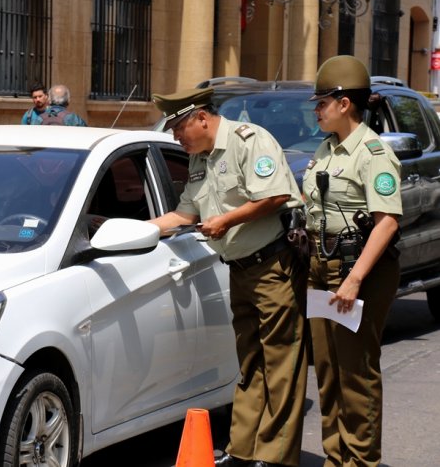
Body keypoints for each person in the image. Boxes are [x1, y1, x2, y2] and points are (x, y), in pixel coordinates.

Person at [150, 88, 308, 467]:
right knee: (250, 361)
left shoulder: (248, 141)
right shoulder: (200, 160)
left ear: (201, 118)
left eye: (179, 129)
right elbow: (184, 215)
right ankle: (243, 449)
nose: (176, 138)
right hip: (239, 270)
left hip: (273, 266)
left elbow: (275, 196)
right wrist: (131, 229)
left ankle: (277, 456)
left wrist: (225, 220)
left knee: (280, 363)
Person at [305, 55, 402, 467]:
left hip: (355, 270)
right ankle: (336, 457)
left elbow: (387, 223)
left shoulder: (373, 152)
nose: (316, 109)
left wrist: (354, 279)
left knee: (355, 373)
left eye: (322, 101)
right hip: (321, 266)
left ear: (345, 103)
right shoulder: (326, 149)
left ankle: (361, 461)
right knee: (327, 371)